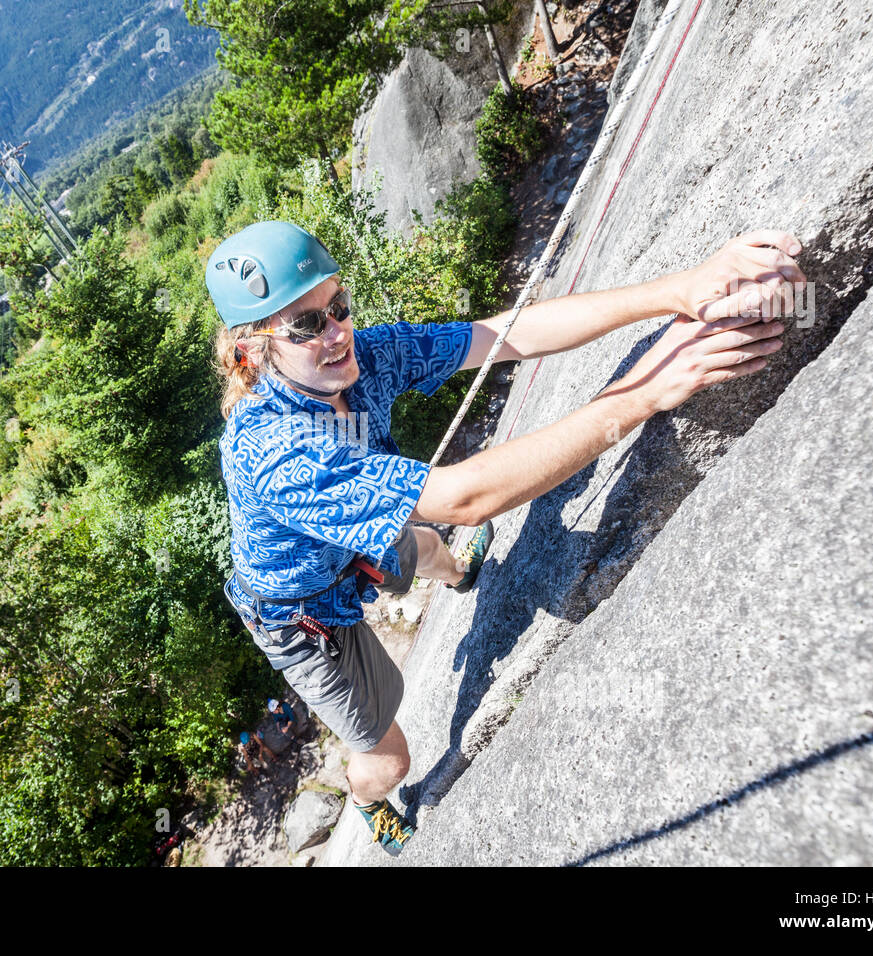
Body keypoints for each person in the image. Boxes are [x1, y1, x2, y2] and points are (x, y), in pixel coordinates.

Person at [210, 220, 804, 854]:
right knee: (391, 761)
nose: (337, 333)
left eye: (339, 306)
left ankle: (460, 574)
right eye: (306, 326)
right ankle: (364, 800)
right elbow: (467, 498)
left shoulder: (361, 361)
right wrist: (649, 391)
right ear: (251, 353)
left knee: (429, 546)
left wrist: (681, 291)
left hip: (359, 533)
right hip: (306, 615)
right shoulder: (271, 451)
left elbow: (499, 335)